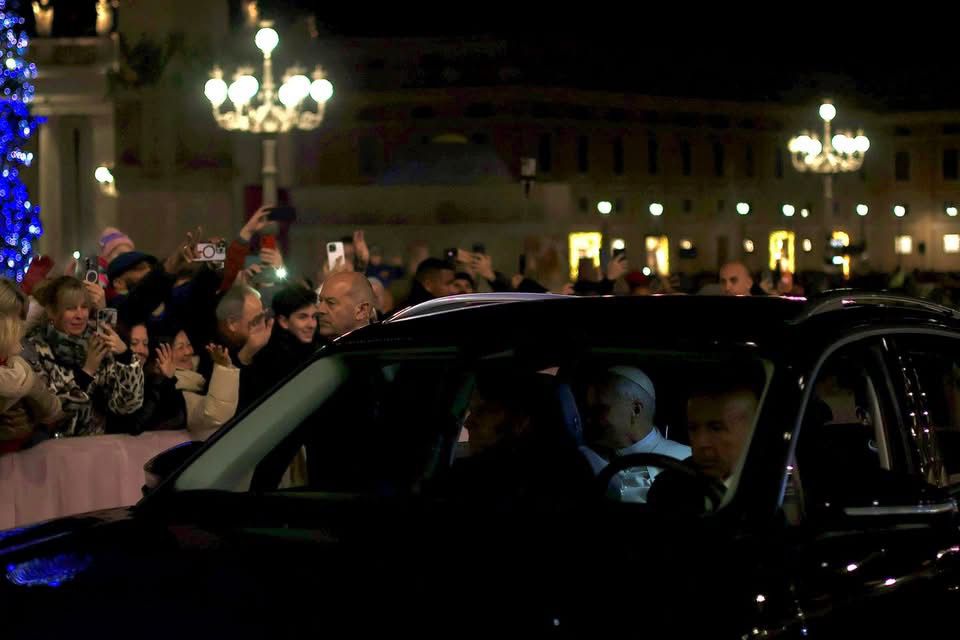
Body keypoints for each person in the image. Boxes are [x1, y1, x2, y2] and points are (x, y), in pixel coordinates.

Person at [25, 276, 144, 436]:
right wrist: (87, 371)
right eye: (71, 308)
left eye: (84, 307)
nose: (80, 315)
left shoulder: (96, 342)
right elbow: (51, 414)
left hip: (94, 449)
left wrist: (125, 357)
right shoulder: (36, 349)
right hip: (53, 450)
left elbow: (125, 406)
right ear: (52, 312)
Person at [582, 366, 690, 502]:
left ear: (636, 410)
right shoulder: (583, 466)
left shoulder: (686, 461)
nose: (589, 419)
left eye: (600, 409)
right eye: (589, 410)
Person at [0, 278, 61, 452]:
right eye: (16, 319)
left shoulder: (19, 366)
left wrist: (32, 425)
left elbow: (52, 410)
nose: (20, 327)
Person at [240, 284, 323, 409]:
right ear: (283, 321)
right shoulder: (267, 357)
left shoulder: (318, 348)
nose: (312, 324)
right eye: (302, 317)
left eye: (314, 317)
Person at [169, 330, 240, 440]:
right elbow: (215, 415)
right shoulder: (175, 394)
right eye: (180, 347)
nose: (188, 351)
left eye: (188, 344)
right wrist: (224, 369)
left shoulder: (202, 369)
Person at [686, 384, 758, 483]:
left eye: (716, 429)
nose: (700, 443)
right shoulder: (670, 484)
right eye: (693, 429)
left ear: (752, 430)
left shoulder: (778, 486)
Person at [316, 271, 377, 340]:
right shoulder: (311, 347)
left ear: (361, 310)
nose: (320, 310)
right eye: (320, 301)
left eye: (331, 303)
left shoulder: (384, 348)